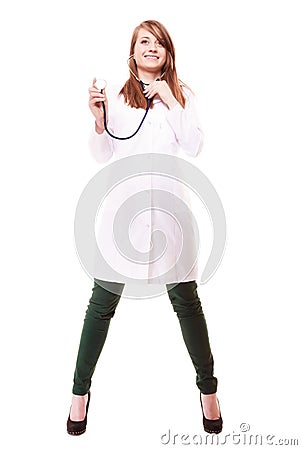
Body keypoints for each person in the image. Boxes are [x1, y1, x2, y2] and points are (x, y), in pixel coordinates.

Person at [67, 19, 223, 436]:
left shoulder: (183, 95)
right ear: (133, 52)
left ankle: (209, 391)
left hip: (171, 216)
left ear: (168, 53)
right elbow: (102, 154)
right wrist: (98, 119)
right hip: (125, 215)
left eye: (158, 43)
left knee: (186, 302)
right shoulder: (119, 97)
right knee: (102, 303)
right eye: (143, 42)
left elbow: (194, 145)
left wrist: (171, 100)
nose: (151, 47)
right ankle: (79, 394)